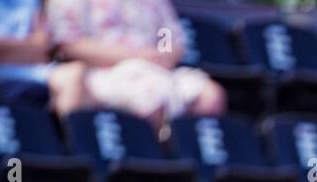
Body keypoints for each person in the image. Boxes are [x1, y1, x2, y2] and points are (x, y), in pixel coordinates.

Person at [46, 0, 225, 133]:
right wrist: (134, 57)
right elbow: (70, 45)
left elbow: (168, 32)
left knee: (210, 95)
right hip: (101, 72)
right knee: (150, 95)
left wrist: (163, 54)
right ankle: (153, 163)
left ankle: (193, 164)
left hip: (155, 69)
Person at [0, 0, 89, 112]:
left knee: (75, 74)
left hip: (29, 68)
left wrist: (1, 47)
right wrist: (29, 48)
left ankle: (55, 134)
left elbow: (44, 47)